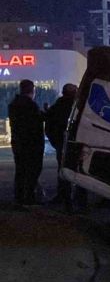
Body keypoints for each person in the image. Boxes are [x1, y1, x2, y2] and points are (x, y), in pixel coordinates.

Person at [9, 79, 45, 208]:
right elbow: (36, 122)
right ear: (32, 90)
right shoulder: (30, 105)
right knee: (32, 171)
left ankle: (19, 197)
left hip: (19, 143)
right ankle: (29, 197)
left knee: (21, 171)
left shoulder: (14, 104)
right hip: (31, 145)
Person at [45, 83, 77, 207]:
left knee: (63, 170)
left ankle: (64, 196)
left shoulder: (60, 104)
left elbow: (50, 121)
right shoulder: (76, 105)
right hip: (73, 144)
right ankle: (74, 200)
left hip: (62, 144)